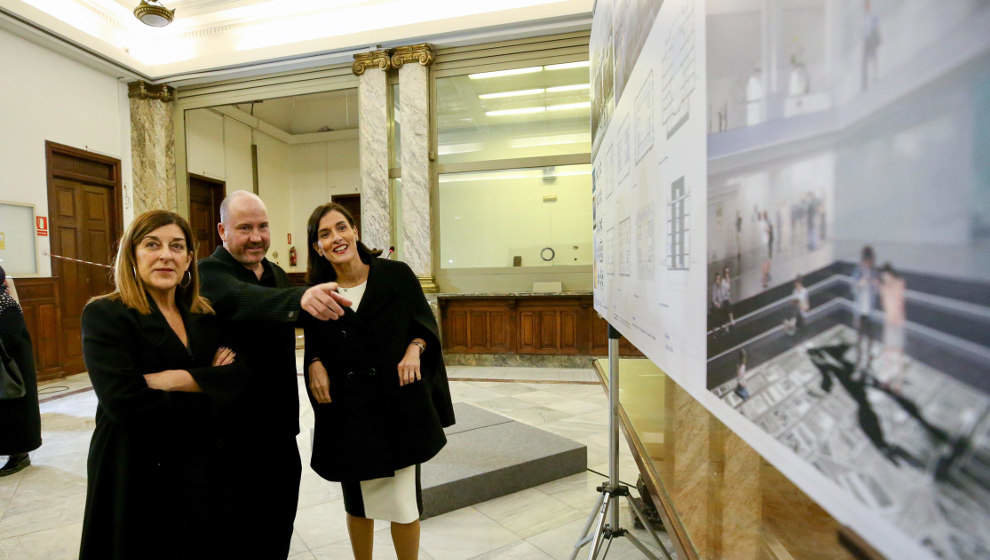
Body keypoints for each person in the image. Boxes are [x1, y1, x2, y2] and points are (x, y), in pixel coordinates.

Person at [79, 210, 245, 560]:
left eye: (177, 246)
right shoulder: (106, 314)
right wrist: (206, 384)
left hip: (197, 464)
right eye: (152, 244)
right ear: (133, 253)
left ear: (189, 259)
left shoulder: (203, 314)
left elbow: (236, 382)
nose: (166, 255)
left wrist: (175, 380)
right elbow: (125, 404)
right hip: (134, 467)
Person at [197, 190, 351, 559]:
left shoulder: (277, 273)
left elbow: (306, 322)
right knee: (235, 532)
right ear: (222, 230)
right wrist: (298, 300)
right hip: (229, 435)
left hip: (280, 430)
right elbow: (241, 298)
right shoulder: (207, 274)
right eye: (244, 228)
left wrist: (314, 358)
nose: (256, 236)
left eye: (262, 227)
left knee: (278, 523)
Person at [304, 202, 455, 560]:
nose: (335, 238)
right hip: (349, 411)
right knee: (357, 504)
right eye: (324, 234)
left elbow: (426, 328)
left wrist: (414, 350)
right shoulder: (319, 291)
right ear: (316, 247)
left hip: (397, 407)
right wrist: (312, 362)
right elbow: (315, 343)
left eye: (341, 228)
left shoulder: (396, 275)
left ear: (355, 231)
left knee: (403, 504)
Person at [0, 265, 41, 476]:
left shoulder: (5, 305)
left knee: (13, 414)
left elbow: (12, 340)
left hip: (12, 372)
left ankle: (19, 455)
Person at [879, 263, 907, 391]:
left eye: (886, 276)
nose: (885, 279)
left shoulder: (899, 284)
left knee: (897, 353)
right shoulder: (884, 288)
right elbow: (885, 305)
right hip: (889, 323)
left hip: (897, 323)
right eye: (883, 277)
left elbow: (899, 303)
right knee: (888, 353)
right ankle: (887, 378)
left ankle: (898, 382)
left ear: (890, 274)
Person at [851, 245, 878, 374]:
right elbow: (853, 289)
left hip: (870, 313)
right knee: (859, 339)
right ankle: (857, 363)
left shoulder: (874, 272)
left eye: (871, 260)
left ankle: (868, 364)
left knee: (870, 340)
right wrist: (861, 282)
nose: (869, 262)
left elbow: (877, 290)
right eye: (868, 260)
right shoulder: (858, 271)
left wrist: (874, 284)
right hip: (860, 312)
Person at [721, 266, 736, 331]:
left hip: (726, 297)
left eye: (728, 272)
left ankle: (730, 321)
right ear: (724, 273)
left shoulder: (728, 279)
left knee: (728, 305)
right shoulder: (723, 281)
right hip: (723, 297)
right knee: (727, 306)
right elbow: (723, 291)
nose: (727, 273)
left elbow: (729, 290)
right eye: (726, 272)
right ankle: (730, 321)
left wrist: (729, 296)